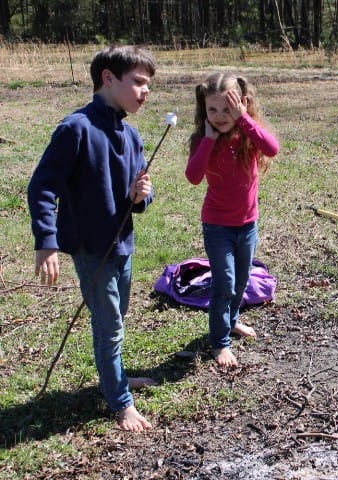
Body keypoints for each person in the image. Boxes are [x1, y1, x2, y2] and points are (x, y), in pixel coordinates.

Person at [28, 45, 158, 431]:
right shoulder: (76, 129)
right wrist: (47, 240)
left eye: (148, 85)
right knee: (109, 326)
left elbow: (141, 190)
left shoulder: (131, 134)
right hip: (92, 249)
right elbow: (42, 187)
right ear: (108, 78)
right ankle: (121, 401)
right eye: (137, 82)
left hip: (123, 246)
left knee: (117, 318)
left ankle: (115, 376)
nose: (145, 92)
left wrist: (142, 195)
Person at [185, 73, 280, 368]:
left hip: (248, 224)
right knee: (224, 283)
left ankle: (232, 320)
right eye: (212, 110)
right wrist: (209, 141)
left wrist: (245, 121)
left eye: (227, 109)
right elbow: (193, 177)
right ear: (204, 110)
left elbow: (272, 148)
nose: (220, 116)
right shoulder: (204, 139)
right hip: (217, 226)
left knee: (240, 282)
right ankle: (220, 342)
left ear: (242, 104)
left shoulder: (248, 134)